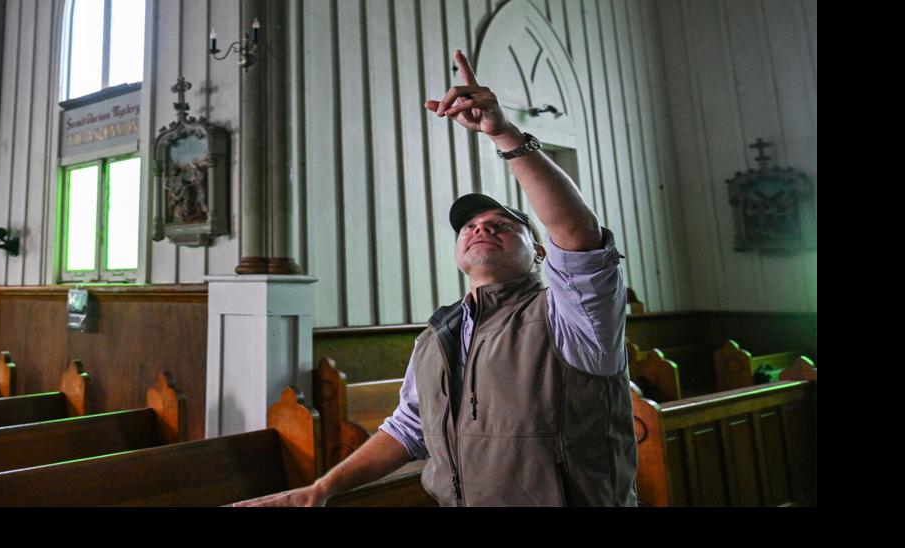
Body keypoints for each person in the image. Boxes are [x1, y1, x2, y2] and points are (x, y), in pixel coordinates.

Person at [238, 49, 636, 507]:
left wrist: (503, 133)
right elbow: (408, 429)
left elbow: (578, 234)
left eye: (502, 225)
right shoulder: (437, 335)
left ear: (540, 253)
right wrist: (321, 490)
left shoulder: (572, 316)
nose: (481, 229)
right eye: (470, 226)